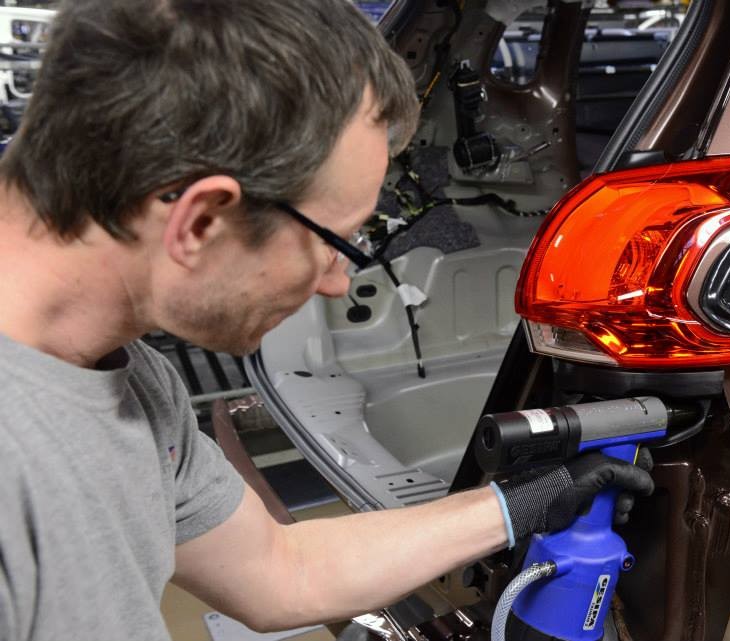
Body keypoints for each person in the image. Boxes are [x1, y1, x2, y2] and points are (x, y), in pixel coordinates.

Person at [0, 1, 655, 639]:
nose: (339, 281)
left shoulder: (128, 377)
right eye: (335, 242)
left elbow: (276, 572)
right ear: (201, 221)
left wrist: (515, 506)